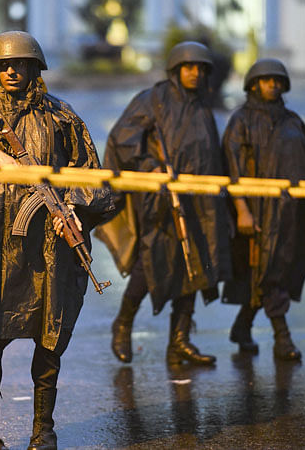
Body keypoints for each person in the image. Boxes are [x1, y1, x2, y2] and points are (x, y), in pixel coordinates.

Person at [0, 31, 114, 450]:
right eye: (4, 65)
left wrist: (74, 205)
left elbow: (91, 172)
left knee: (48, 332)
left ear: (35, 68)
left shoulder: (62, 117)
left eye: (20, 64)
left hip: (48, 246)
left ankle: (44, 429)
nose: (12, 71)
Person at [95, 41, 233, 367]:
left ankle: (180, 341)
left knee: (193, 263)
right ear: (175, 69)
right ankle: (123, 323)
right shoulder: (154, 100)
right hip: (160, 199)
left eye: (200, 68)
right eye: (189, 67)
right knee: (151, 261)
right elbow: (123, 136)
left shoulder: (202, 105)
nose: (195, 73)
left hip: (199, 200)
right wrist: (149, 168)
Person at [221, 58, 305, 361]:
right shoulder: (241, 120)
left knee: (276, 271)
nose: (272, 84)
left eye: (277, 80)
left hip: (291, 214)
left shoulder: (293, 121)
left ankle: (242, 326)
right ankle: (281, 338)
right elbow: (231, 168)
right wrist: (242, 210)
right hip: (257, 213)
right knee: (268, 272)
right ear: (254, 84)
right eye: (266, 79)